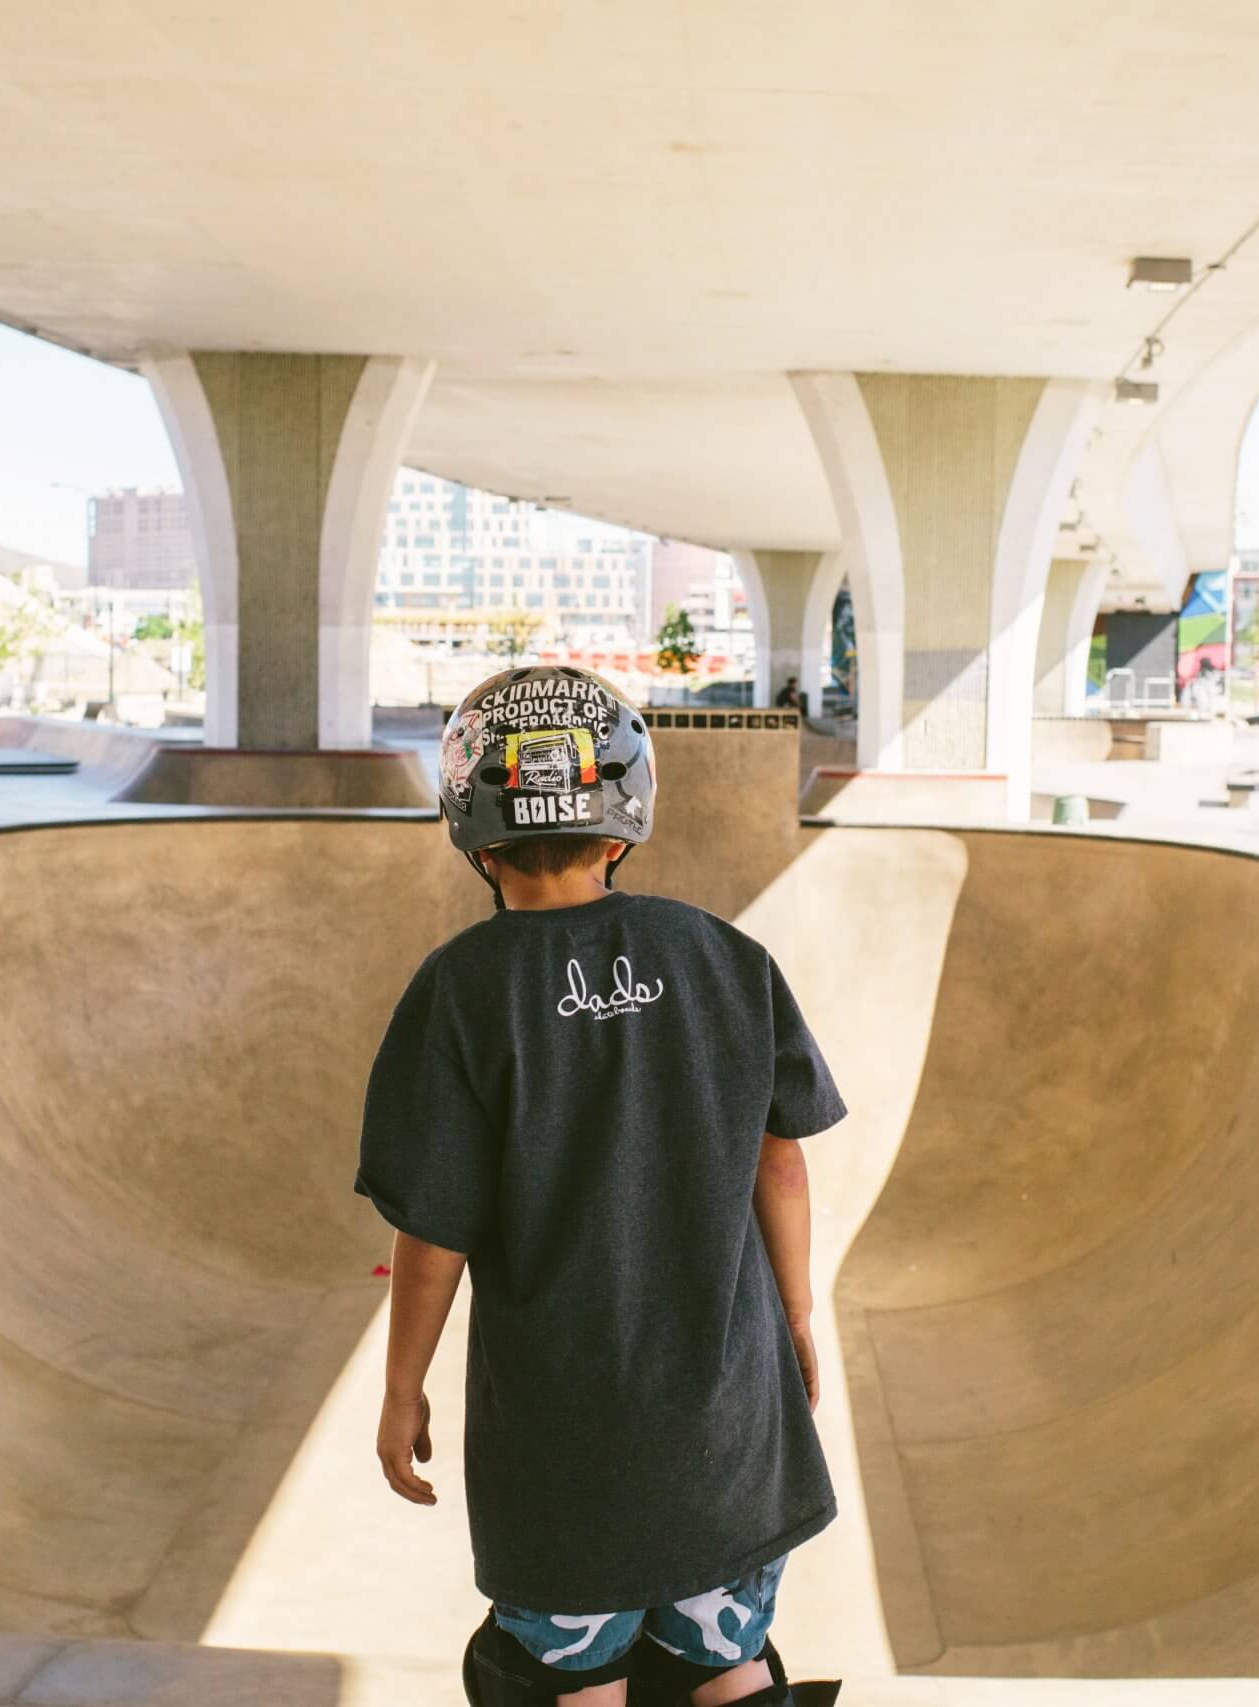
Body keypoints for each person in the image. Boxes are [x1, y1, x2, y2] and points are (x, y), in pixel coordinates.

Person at [356, 664, 844, 1707]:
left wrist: (402, 1389)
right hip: (732, 1434)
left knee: (563, 1681)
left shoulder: (461, 991)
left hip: (564, 1457)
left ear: (475, 837)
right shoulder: (723, 955)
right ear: (621, 829)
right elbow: (782, 1158)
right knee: (727, 1662)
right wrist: (798, 1316)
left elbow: (435, 1231)